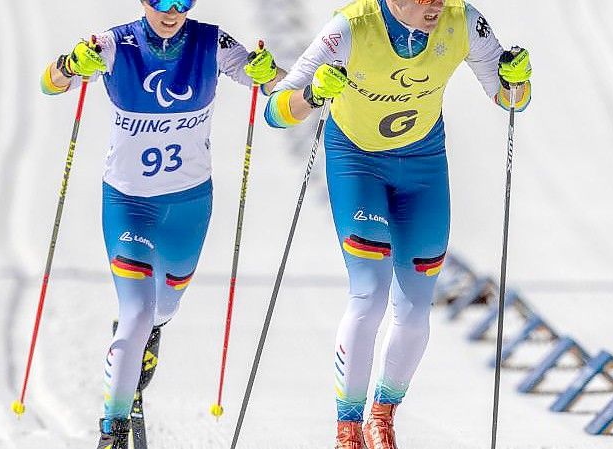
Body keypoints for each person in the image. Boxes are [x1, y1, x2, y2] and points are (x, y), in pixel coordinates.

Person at [263, 0, 531, 448]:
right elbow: (276, 110)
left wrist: (517, 82)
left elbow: (510, 101)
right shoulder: (350, 28)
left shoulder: (462, 21)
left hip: (422, 170)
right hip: (357, 163)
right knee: (369, 293)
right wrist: (312, 96)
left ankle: (381, 417)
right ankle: (347, 428)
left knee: (415, 308)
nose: (436, 5)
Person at [40, 1, 285, 447]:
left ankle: (149, 335)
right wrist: (71, 62)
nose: (172, 11)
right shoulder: (114, 44)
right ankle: (111, 431)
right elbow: (50, 84)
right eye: (161, 2)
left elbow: (278, 89)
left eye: (183, 2)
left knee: (162, 309)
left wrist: (271, 72)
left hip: (187, 206)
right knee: (135, 311)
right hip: (128, 203)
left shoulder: (213, 42)